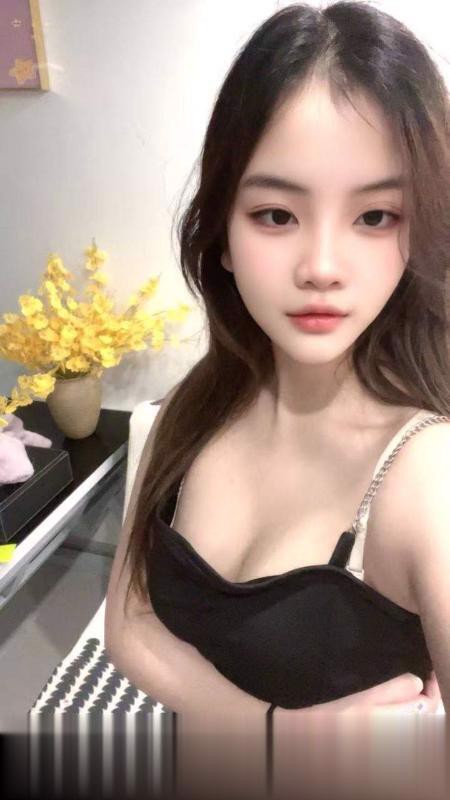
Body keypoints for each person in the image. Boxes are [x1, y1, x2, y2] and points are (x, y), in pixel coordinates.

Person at [105, 1, 449, 720]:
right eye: (276, 215)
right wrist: (272, 740)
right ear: (223, 235)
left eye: (375, 217)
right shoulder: (194, 406)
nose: (321, 266)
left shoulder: (428, 476)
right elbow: (129, 624)